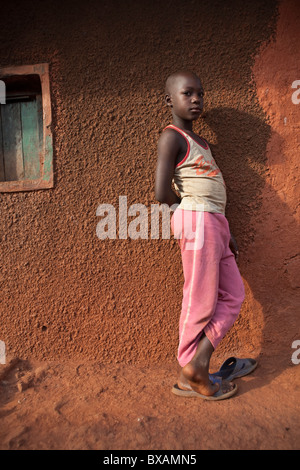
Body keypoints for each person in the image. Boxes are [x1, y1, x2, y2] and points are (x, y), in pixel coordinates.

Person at [155, 71, 248, 400]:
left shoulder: (202, 144)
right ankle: (191, 367)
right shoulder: (172, 137)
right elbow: (160, 193)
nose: (196, 100)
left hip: (215, 224)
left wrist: (226, 231)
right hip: (197, 219)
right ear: (170, 100)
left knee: (234, 295)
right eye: (187, 93)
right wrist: (192, 211)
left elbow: (211, 193)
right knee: (200, 300)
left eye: (200, 94)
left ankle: (195, 366)